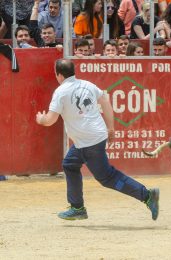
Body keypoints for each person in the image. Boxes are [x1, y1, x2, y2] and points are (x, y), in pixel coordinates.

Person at [35, 59, 159, 220]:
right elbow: (105, 101)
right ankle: (77, 207)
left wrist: (41, 119)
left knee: (107, 177)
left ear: (58, 74)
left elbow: (50, 120)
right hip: (90, 138)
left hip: (88, 141)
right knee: (70, 165)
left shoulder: (61, 91)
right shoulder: (87, 84)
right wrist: (111, 127)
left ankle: (147, 195)